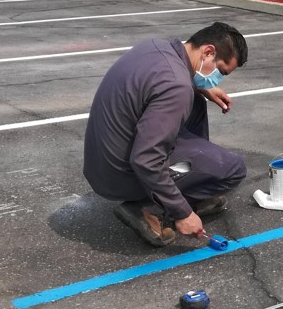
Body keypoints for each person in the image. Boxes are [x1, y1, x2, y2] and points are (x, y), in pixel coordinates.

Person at [83, 21, 249, 246]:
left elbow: (161, 84)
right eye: (220, 71)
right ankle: (147, 208)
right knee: (232, 169)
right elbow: (146, 159)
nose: (218, 79)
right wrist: (182, 212)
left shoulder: (156, 47)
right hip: (120, 175)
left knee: (195, 102)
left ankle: (185, 181)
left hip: (101, 163)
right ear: (208, 52)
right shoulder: (177, 86)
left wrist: (201, 87)